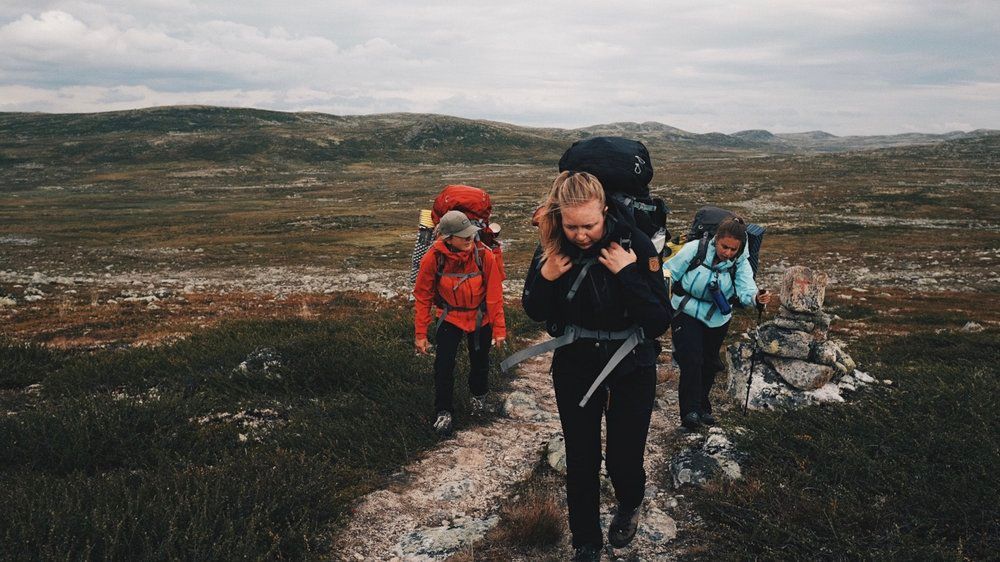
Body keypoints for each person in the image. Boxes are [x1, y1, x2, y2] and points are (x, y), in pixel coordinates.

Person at [521, 171, 671, 558]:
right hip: (576, 363)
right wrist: (545, 277)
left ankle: (629, 502)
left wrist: (628, 274)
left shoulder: (635, 243)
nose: (581, 234)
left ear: (605, 210)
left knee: (625, 456)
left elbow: (658, 321)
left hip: (632, 363)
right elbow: (536, 310)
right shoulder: (552, 244)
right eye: (572, 226)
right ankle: (586, 542)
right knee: (582, 457)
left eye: (589, 224)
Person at [665, 216, 772, 430]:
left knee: (709, 363)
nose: (728, 253)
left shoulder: (740, 262)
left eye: (734, 250)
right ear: (716, 239)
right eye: (725, 247)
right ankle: (690, 412)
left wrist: (755, 298)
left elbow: (746, 287)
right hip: (685, 310)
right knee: (692, 359)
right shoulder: (695, 249)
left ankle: (703, 408)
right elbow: (669, 271)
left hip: (717, 318)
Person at [413, 210, 506, 436]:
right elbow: (423, 295)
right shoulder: (433, 258)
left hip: (479, 318)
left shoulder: (484, 255)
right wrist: (420, 333)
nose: (469, 239)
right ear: (447, 237)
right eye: (463, 236)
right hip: (449, 317)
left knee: (480, 361)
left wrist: (499, 329)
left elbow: (494, 294)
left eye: (470, 234)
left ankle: (479, 401)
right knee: (443, 366)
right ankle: (444, 411)